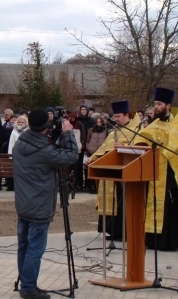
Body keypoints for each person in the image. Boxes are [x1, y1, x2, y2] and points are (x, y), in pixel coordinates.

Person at [13, 109, 79, 299]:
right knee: (35, 248)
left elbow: (53, 153)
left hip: (23, 204)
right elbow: (71, 156)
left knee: (23, 246)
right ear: (45, 129)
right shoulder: (44, 151)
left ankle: (27, 283)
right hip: (39, 206)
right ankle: (28, 288)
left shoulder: (20, 144)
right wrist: (68, 133)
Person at [134, 87, 178, 251]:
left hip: (172, 172)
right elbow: (142, 140)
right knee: (153, 203)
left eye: (159, 104)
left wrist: (163, 147)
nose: (156, 107)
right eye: (155, 104)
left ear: (168, 106)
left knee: (170, 206)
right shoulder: (154, 123)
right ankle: (152, 240)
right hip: (154, 171)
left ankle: (169, 241)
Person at [86, 101, 140, 241]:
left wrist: (124, 147)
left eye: (118, 116)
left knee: (125, 202)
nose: (115, 119)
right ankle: (114, 231)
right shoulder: (113, 133)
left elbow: (140, 150)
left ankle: (128, 231)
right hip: (112, 174)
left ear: (127, 115)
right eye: (114, 117)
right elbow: (103, 149)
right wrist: (93, 158)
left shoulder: (138, 131)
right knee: (114, 202)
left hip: (129, 174)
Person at [85, 115, 109, 193]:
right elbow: (87, 140)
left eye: (100, 122)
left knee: (100, 172)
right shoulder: (90, 130)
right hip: (92, 153)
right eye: (97, 122)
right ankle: (92, 187)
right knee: (91, 171)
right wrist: (88, 148)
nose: (98, 123)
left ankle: (99, 188)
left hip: (101, 153)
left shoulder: (106, 131)